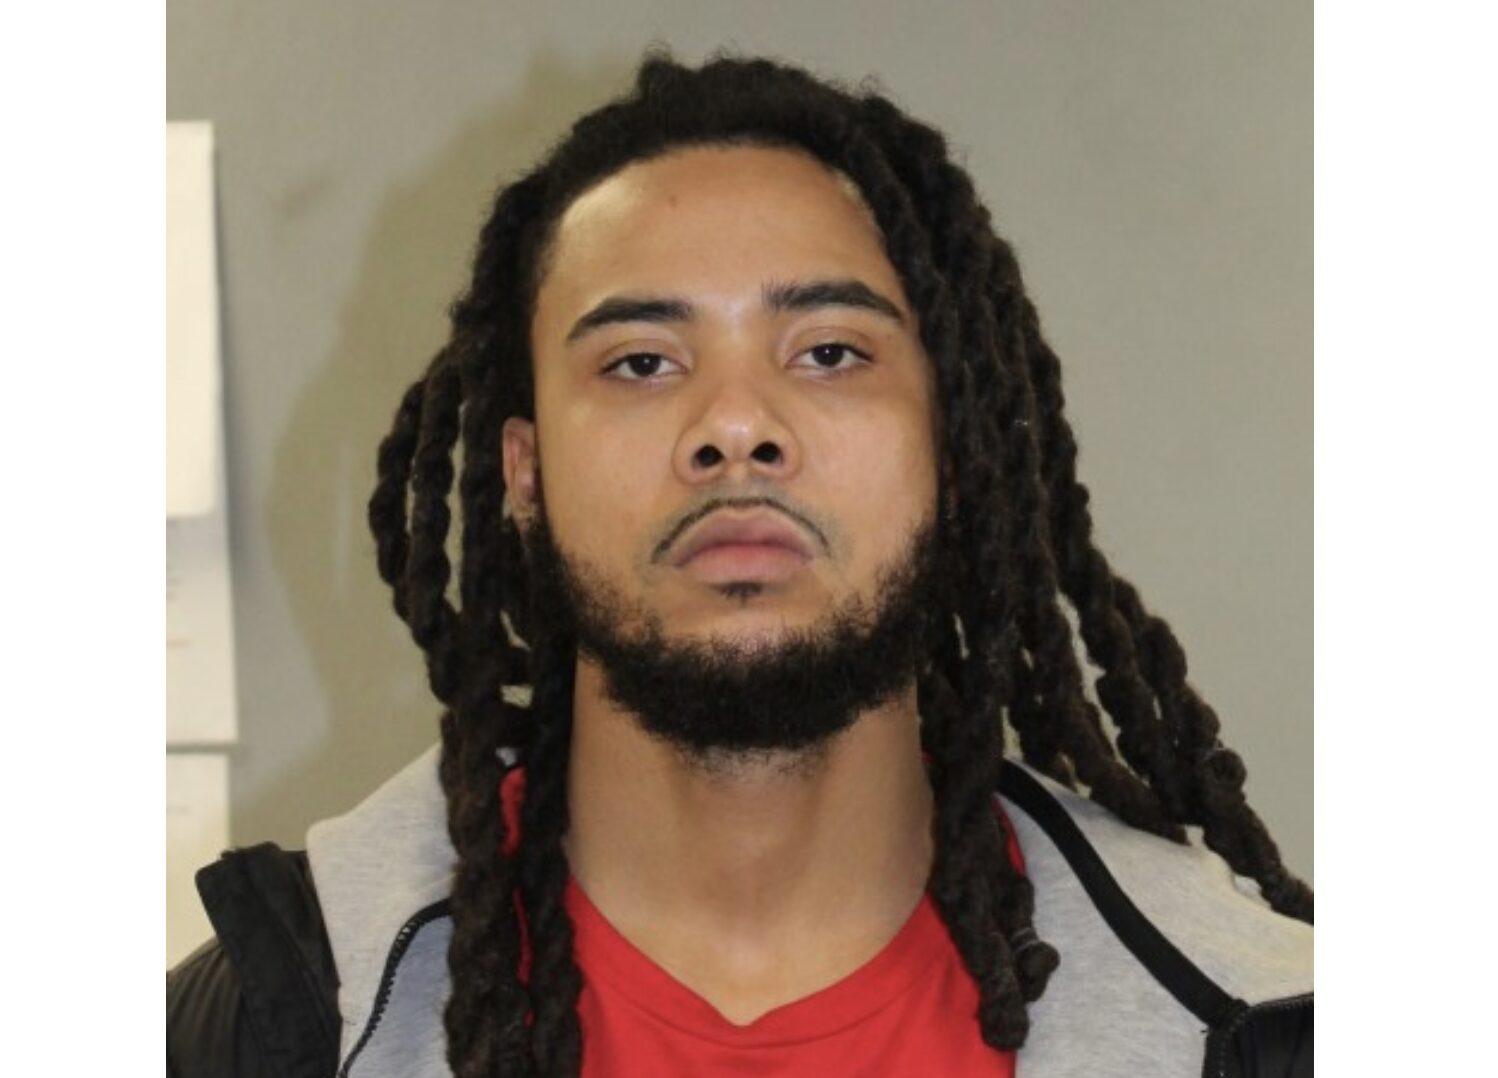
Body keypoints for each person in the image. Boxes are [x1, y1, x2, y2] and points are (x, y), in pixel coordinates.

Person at [166, 51, 1312, 1078]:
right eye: (641, 362)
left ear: (953, 452)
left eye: (829, 351)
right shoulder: (246, 1037)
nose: (735, 425)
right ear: (525, 472)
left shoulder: (1272, 1030)